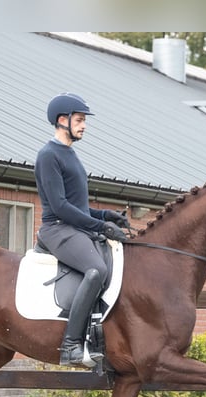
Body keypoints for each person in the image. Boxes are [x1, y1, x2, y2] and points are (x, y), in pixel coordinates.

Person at [34, 92, 129, 366]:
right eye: (79, 119)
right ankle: (71, 345)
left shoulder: (70, 154)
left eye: (83, 120)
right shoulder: (48, 155)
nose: (84, 125)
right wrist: (100, 226)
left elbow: (79, 206)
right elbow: (61, 207)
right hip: (57, 229)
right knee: (96, 269)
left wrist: (106, 214)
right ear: (62, 120)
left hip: (74, 227)